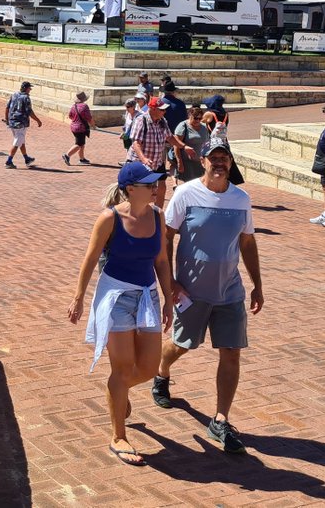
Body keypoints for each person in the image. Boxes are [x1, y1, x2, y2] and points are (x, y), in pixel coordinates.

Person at [150, 140, 263, 455]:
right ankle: (161, 372)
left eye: (224, 158)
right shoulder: (186, 193)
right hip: (192, 290)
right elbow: (167, 236)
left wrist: (258, 284)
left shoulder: (241, 199)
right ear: (202, 160)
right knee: (182, 344)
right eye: (214, 158)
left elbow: (248, 242)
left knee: (232, 352)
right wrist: (171, 281)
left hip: (230, 290)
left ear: (230, 163)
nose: (219, 163)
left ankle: (220, 419)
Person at [69, 165, 174, 466]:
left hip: (148, 296)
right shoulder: (110, 218)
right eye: (147, 184)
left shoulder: (158, 216)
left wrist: (167, 298)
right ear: (131, 189)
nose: (155, 188)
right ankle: (118, 435)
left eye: (155, 183)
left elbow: (162, 260)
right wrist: (78, 297)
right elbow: (90, 258)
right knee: (123, 368)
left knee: (149, 367)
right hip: (115, 297)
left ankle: (118, 391)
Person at [127, 97, 196, 206]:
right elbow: (136, 143)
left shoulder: (162, 121)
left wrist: (184, 147)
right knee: (139, 189)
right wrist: (143, 159)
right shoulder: (141, 120)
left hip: (157, 161)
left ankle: (157, 212)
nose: (165, 112)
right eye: (162, 109)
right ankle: (133, 210)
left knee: (161, 186)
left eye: (164, 109)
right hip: (140, 162)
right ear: (153, 109)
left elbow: (170, 138)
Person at [4, 81, 41, 168]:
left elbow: (7, 107)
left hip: (12, 122)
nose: (30, 89)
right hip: (20, 123)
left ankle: (26, 158)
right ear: (26, 88)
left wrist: (7, 119)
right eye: (29, 88)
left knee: (21, 141)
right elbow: (29, 112)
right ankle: (9, 161)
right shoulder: (26, 98)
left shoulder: (14, 94)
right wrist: (38, 120)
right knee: (17, 142)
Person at [173, 106, 210, 183]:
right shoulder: (183, 126)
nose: (198, 120)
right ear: (190, 115)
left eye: (200, 118)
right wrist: (180, 162)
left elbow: (207, 143)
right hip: (187, 163)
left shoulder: (204, 127)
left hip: (201, 162)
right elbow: (176, 144)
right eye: (195, 118)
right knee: (190, 185)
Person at [159, 82, 188, 174]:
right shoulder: (181, 104)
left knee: (159, 164)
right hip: (177, 138)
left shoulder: (160, 103)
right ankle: (174, 180)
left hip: (161, 137)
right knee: (174, 162)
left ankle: (160, 181)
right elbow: (185, 121)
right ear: (173, 92)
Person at [64, 91, 94, 166]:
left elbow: (70, 116)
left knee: (82, 143)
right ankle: (67, 155)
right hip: (81, 128)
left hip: (74, 127)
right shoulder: (84, 106)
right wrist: (93, 125)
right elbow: (89, 118)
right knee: (79, 144)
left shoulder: (74, 106)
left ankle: (82, 159)